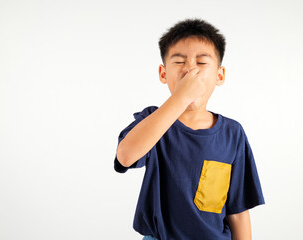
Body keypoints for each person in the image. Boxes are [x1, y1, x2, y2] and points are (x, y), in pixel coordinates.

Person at [113, 18, 265, 240]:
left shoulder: (232, 134)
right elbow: (125, 157)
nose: (190, 70)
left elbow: (238, 212)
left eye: (202, 63)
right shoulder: (153, 121)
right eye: (179, 62)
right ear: (163, 74)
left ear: (219, 75)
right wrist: (181, 97)